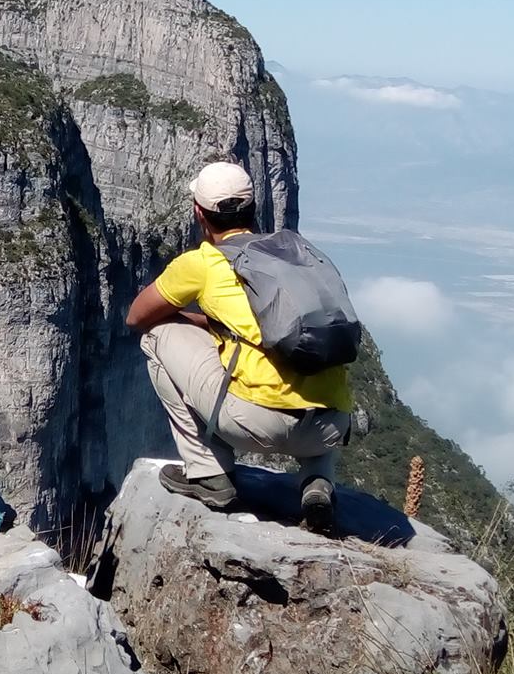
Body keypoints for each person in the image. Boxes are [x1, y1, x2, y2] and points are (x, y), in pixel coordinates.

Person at [126, 160, 356, 533]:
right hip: (330, 426)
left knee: (156, 336)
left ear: (199, 213)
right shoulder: (297, 252)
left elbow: (137, 317)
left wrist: (189, 318)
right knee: (310, 371)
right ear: (254, 206)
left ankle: (209, 473)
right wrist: (216, 324)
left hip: (257, 424)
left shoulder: (203, 262)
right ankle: (318, 482)